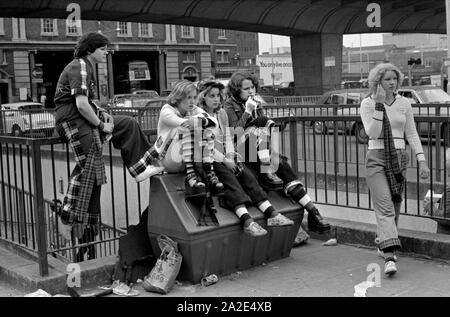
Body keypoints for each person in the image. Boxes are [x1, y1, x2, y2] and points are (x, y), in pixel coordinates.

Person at [53, 32, 164, 260]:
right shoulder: (80, 67)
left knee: (127, 124)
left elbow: (88, 105)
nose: (106, 52)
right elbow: (82, 105)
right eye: (103, 48)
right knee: (90, 169)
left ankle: (141, 166)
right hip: (73, 122)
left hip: (85, 120)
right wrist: (101, 126)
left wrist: (104, 119)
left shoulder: (87, 67)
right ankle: (68, 216)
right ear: (90, 49)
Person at [223, 72, 330, 243]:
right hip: (240, 150)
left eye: (252, 87)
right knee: (263, 123)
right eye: (246, 88)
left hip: (257, 149)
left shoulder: (255, 103)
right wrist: (248, 111)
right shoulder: (228, 106)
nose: (250, 91)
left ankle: (313, 212)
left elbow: (264, 130)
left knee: (283, 166)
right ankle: (266, 172)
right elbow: (233, 133)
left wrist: (257, 111)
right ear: (236, 90)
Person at [197, 80, 295, 236]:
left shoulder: (221, 113)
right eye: (212, 96)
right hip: (208, 158)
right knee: (230, 181)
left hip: (224, 156)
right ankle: (247, 221)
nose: (216, 99)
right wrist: (226, 160)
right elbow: (206, 146)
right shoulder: (200, 116)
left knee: (247, 177)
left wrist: (231, 155)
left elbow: (228, 138)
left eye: (218, 96)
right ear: (203, 97)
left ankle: (272, 214)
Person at [360, 62, 430, 276]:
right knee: (385, 208)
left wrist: (422, 160)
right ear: (377, 82)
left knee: (394, 205)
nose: (392, 83)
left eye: (394, 79)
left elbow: (411, 133)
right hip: (376, 157)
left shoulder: (404, 103)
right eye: (387, 79)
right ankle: (390, 255)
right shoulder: (368, 103)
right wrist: (380, 106)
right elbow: (372, 133)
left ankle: (383, 242)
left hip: (399, 158)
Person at [154, 80, 224, 197]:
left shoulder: (193, 109)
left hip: (187, 158)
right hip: (168, 159)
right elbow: (185, 124)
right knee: (191, 128)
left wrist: (201, 120)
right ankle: (193, 177)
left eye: (194, 97)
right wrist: (200, 120)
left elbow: (214, 123)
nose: (192, 101)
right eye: (188, 97)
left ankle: (209, 172)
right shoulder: (167, 110)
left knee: (206, 130)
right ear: (178, 98)